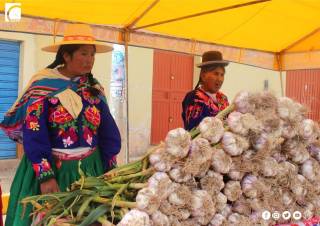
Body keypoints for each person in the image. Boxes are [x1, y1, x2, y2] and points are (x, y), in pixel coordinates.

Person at [0, 23, 121, 226]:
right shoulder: (43, 87)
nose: (89, 60)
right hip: (54, 171)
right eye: (84, 54)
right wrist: (45, 175)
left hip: (91, 171)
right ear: (66, 55)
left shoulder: (93, 88)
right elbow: (34, 130)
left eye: (92, 55)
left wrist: (110, 165)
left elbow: (107, 130)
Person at [182, 50, 229, 130]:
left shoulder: (223, 98)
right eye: (216, 74)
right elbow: (194, 128)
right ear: (203, 75)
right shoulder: (194, 97)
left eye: (222, 75)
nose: (220, 79)